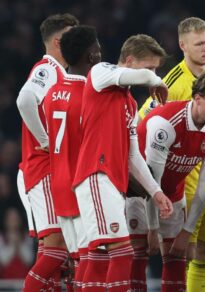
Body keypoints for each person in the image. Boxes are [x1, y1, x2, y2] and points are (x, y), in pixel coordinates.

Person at [138, 17, 205, 292]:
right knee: (182, 251)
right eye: (200, 43)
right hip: (183, 176)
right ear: (183, 46)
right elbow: (144, 123)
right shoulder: (172, 83)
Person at [72, 34, 173, 291]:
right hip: (96, 174)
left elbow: (133, 156)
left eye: (156, 69)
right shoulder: (100, 73)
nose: (152, 74)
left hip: (112, 183)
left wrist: (156, 191)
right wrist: (156, 80)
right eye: (149, 67)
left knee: (96, 258)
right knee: (122, 251)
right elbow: (141, 77)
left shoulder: (128, 102)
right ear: (129, 60)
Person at [127, 71, 205, 291]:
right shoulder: (166, 124)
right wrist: (153, 228)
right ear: (197, 98)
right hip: (136, 190)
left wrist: (187, 232)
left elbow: (204, 187)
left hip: (173, 192)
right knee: (139, 253)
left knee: (177, 256)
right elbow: (152, 180)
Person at [16, 13, 79, 291]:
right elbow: (25, 99)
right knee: (57, 247)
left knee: (54, 253)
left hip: (51, 170)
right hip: (42, 169)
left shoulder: (63, 73)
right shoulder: (48, 68)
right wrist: (45, 140)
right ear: (58, 41)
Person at [43, 25, 101, 290]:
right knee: (91, 261)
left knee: (77, 260)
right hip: (81, 185)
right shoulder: (90, 96)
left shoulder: (52, 92)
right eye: (97, 51)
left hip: (58, 184)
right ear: (91, 57)